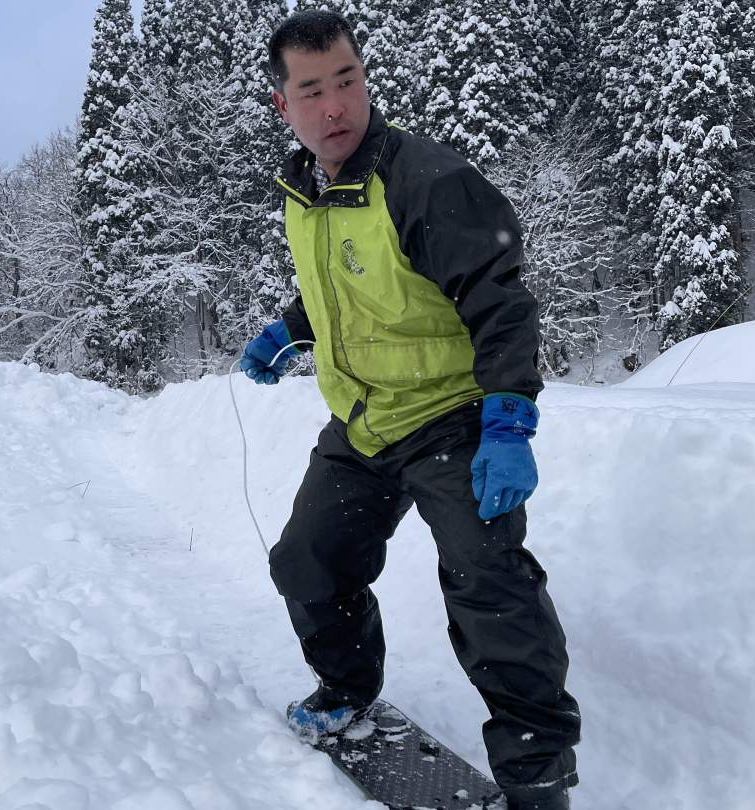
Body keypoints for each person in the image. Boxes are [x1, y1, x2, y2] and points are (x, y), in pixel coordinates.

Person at [239, 10, 581, 810]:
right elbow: (354, 281)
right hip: (363, 422)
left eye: (348, 82)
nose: (336, 108)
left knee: (490, 586)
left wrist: (508, 421)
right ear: (281, 104)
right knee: (308, 561)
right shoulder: (307, 188)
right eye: (313, 90)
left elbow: (499, 301)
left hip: (453, 418)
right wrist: (290, 327)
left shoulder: (425, 177)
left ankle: (538, 782)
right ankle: (348, 690)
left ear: (365, 79)